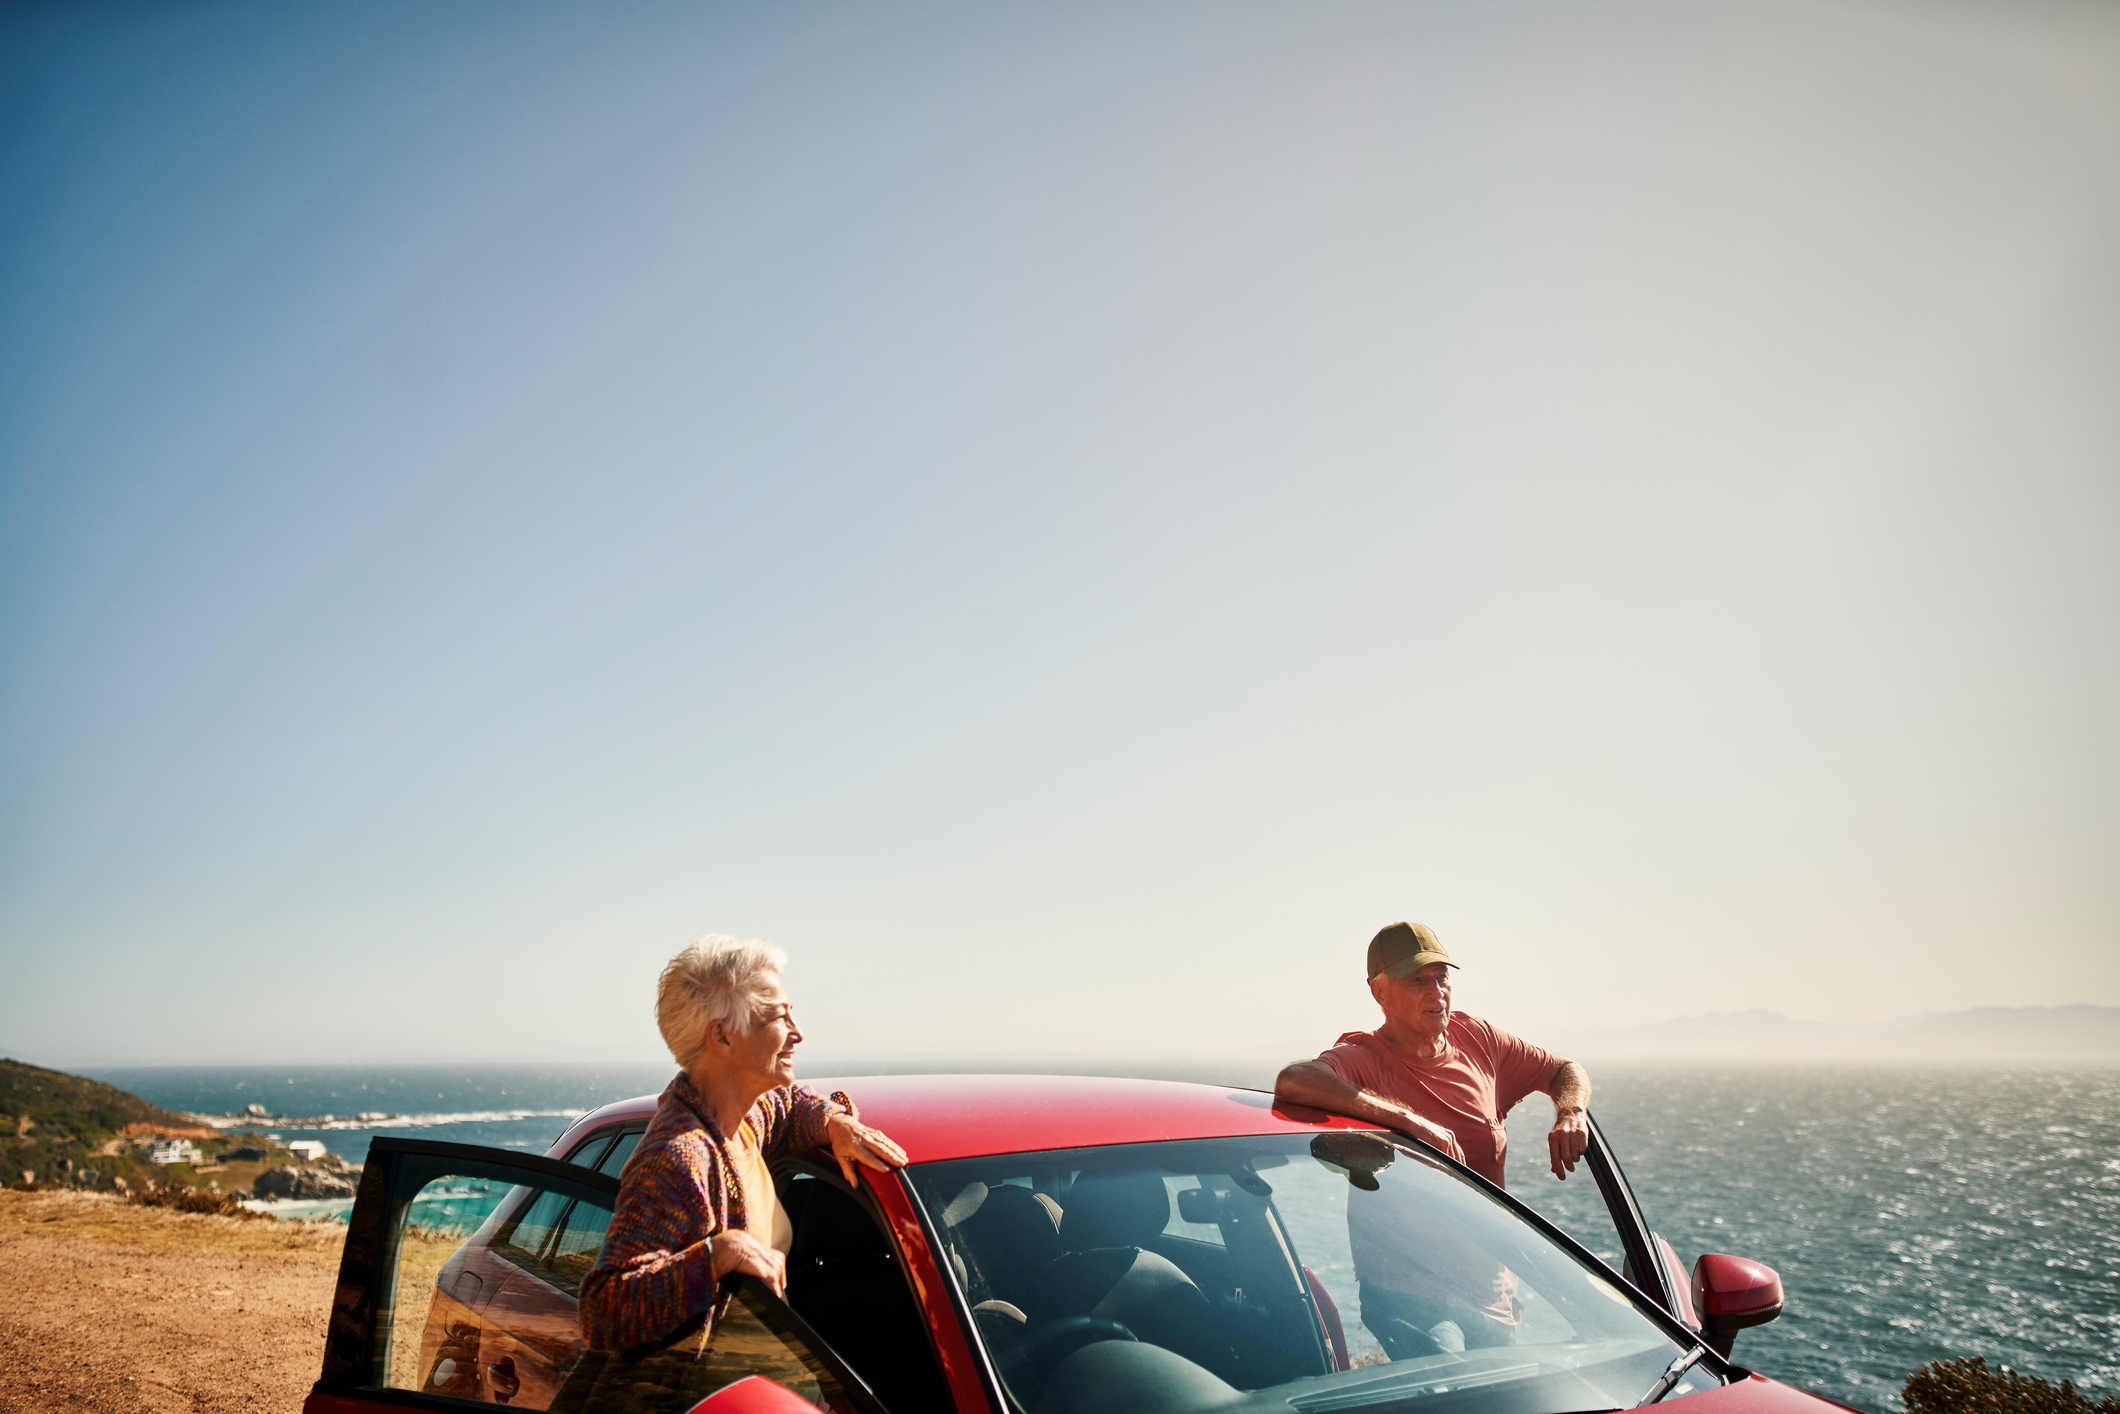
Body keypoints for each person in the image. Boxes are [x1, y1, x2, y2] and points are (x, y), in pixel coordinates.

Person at [1275, 922, 1593, 1359]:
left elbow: (1564, 1070)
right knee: (1452, 1394)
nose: (1437, 991)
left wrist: (1571, 1112)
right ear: (1379, 992)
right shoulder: (1363, 1056)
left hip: (1491, 1294)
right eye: (1418, 981)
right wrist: (1410, 1123)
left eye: (1443, 977)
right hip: (1409, 1292)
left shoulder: (1478, 1039)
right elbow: (1294, 1081)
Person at [578, 935, 909, 1353]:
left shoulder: (745, 1118)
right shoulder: (677, 1158)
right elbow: (602, 1312)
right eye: (779, 1017)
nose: (798, 1033)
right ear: (723, 1036)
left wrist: (836, 1123)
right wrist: (719, 1254)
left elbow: (789, 1106)